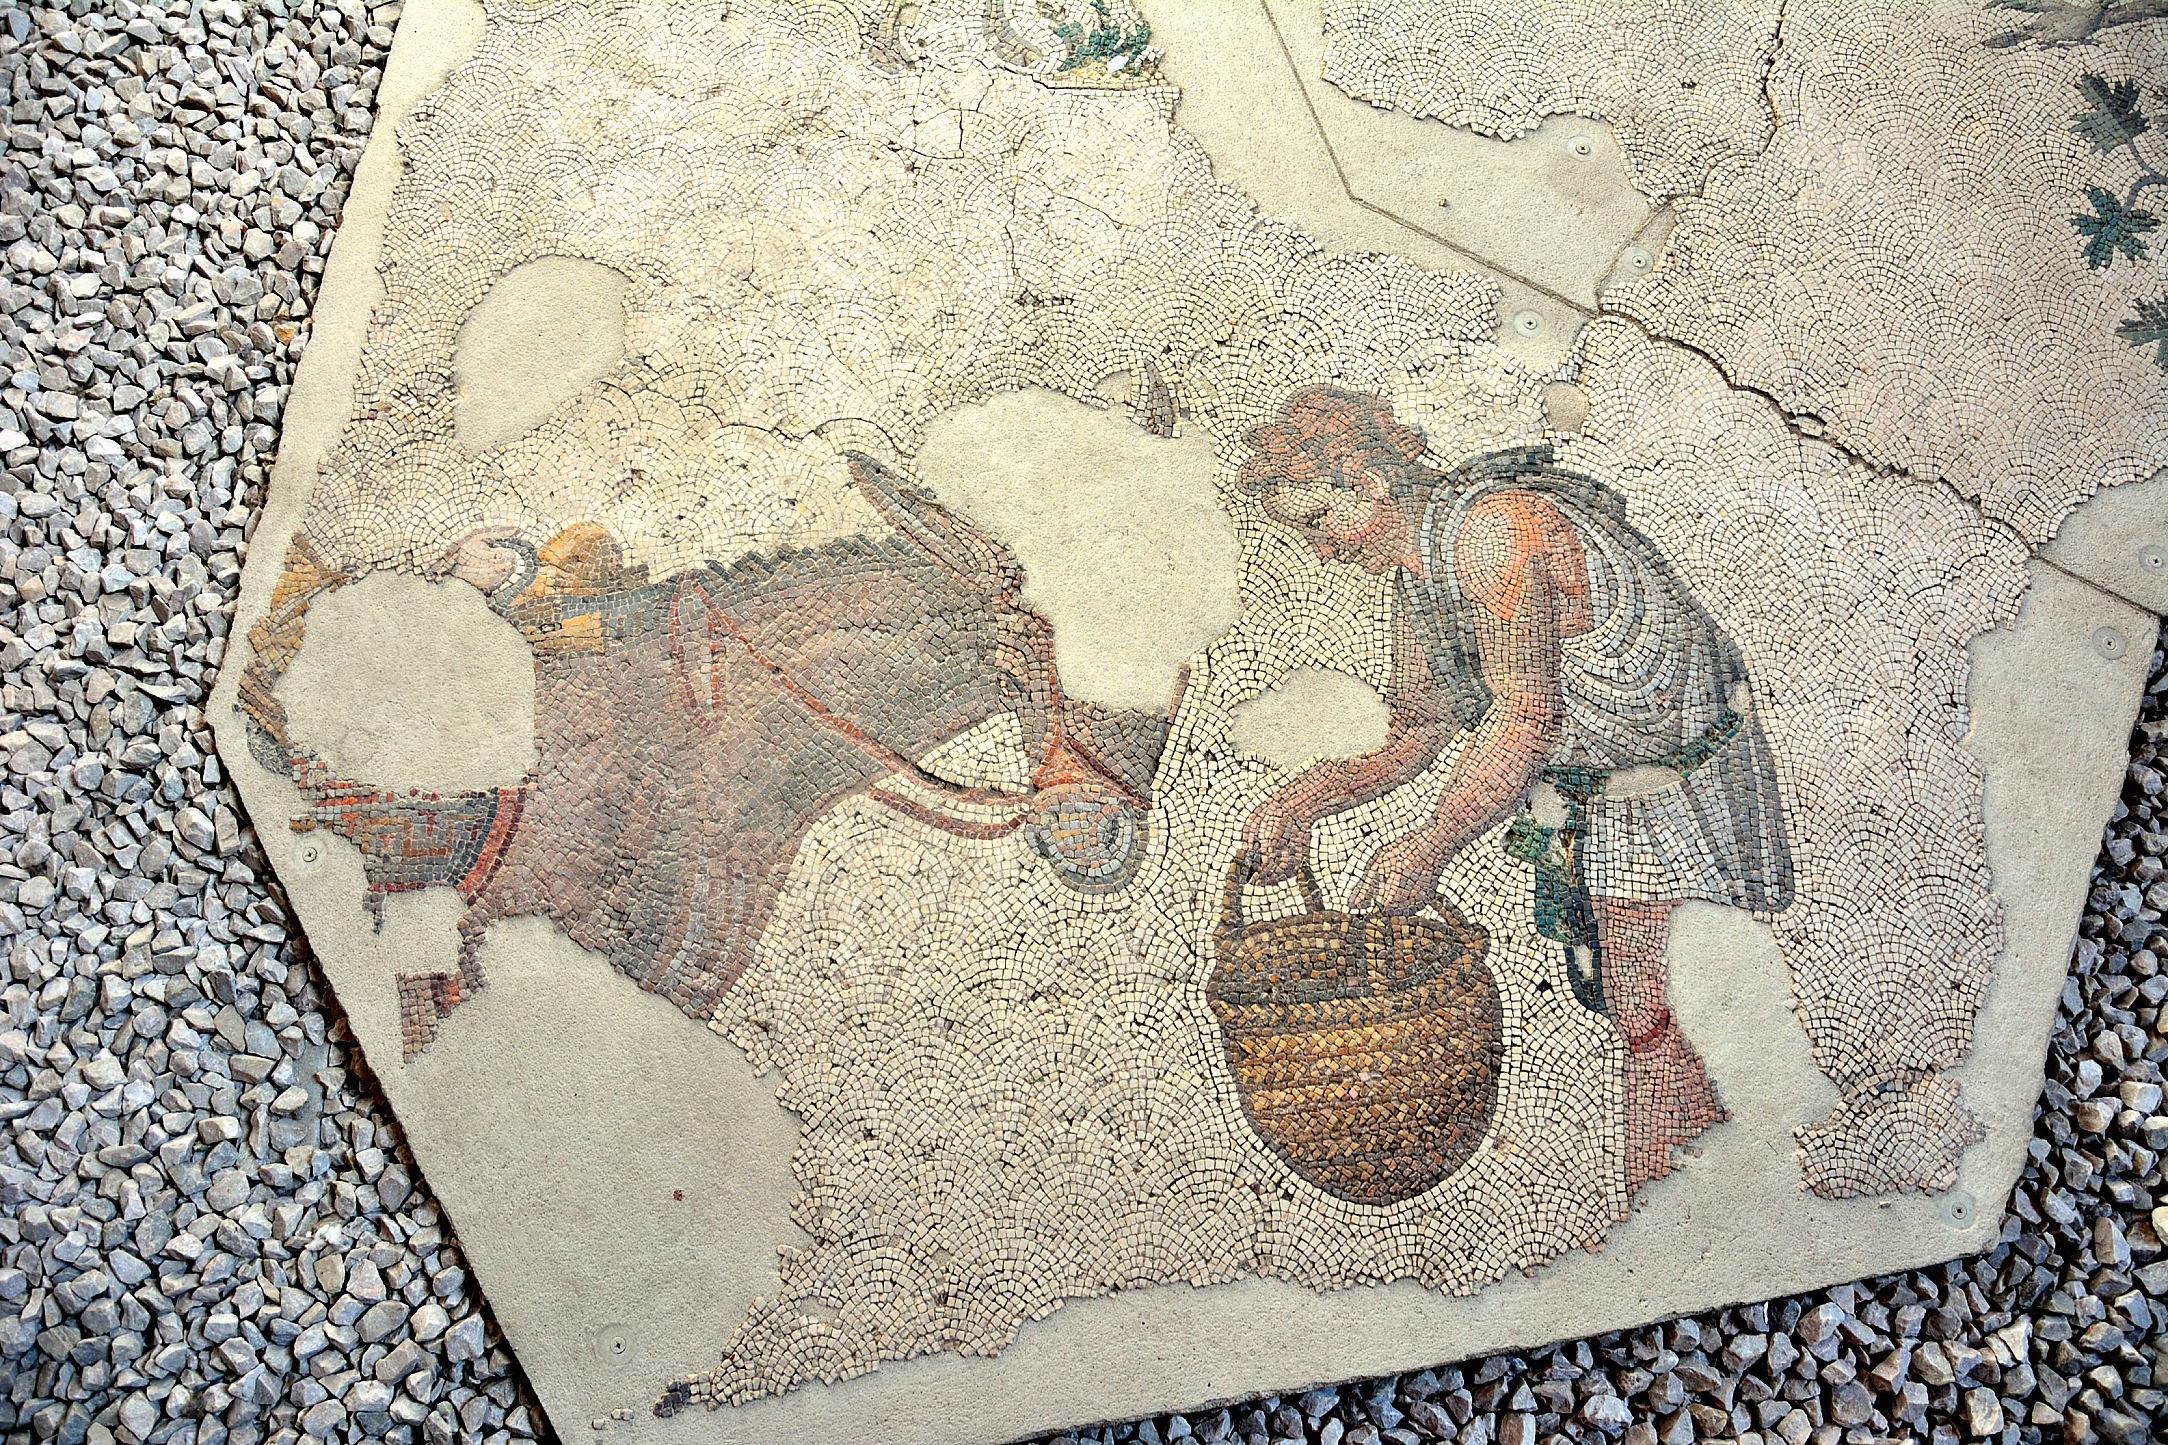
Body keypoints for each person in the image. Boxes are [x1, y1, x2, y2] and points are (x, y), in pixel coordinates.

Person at [1235, 385, 1794, 1192]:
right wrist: (1302, 801)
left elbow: (1527, 713)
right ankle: (1684, 1197)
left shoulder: (1493, 531)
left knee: (1655, 1008)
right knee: (1646, 1012)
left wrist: (1430, 846)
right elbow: (1416, 729)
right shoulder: (1422, 574)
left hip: (1675, 780)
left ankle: (1688, 1205)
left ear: (1366, 479)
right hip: (1607, 784)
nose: (1321, 552)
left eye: (1320, 521)